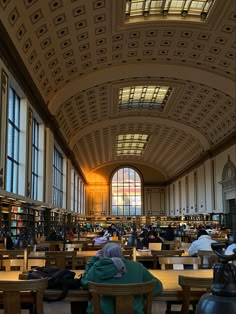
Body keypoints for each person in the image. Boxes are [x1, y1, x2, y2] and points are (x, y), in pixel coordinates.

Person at [81, 243, 163, 314]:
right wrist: (141, 297)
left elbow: (85, 283)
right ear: (121, 253)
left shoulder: (97, 267)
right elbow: (157, 287)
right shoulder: (137, 267)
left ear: (102, 255)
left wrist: (93, 260)